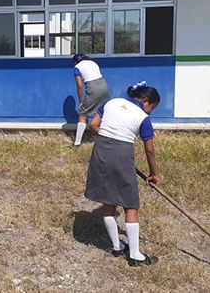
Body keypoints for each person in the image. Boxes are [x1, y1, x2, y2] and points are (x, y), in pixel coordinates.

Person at [84, 81, 160, 266]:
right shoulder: (142, 117)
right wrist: (153, 174)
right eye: (152, 107)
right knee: (130, 205)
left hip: (101, 150)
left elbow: (93, 124)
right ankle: (135, 255)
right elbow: (149, 150)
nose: (150, 112)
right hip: (122, 153)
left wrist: (110, 138)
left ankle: (117, 246)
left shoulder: (112, 102)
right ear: (145, 100)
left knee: (108, 199)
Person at [72, 54, 110, 146]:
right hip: (104, 86)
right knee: (102, 113)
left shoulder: (77, 67)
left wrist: (81, 101)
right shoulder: (93, 63)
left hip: (93, 88)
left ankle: (77, 143)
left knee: (83, 115)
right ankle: (107, 136)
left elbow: (79, 86)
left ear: (76, 62)